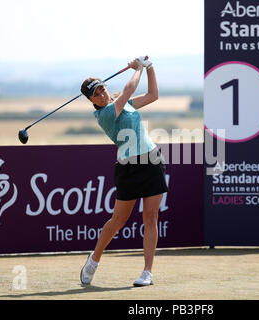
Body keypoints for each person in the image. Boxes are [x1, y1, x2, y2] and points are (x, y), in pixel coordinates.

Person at [79, 56, 168, 287]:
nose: (102, 95)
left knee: (150, 217)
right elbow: (128, 89)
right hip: (128, 168)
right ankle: (94, 260)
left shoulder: (123, 103)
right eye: (96, 94)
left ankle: (147, 272)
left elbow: (153, 95)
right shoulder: (105, 114)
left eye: (102, 89)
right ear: (92, 101)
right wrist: (137, 68)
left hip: (151, 160)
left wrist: (149, 68)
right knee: (118, 220)